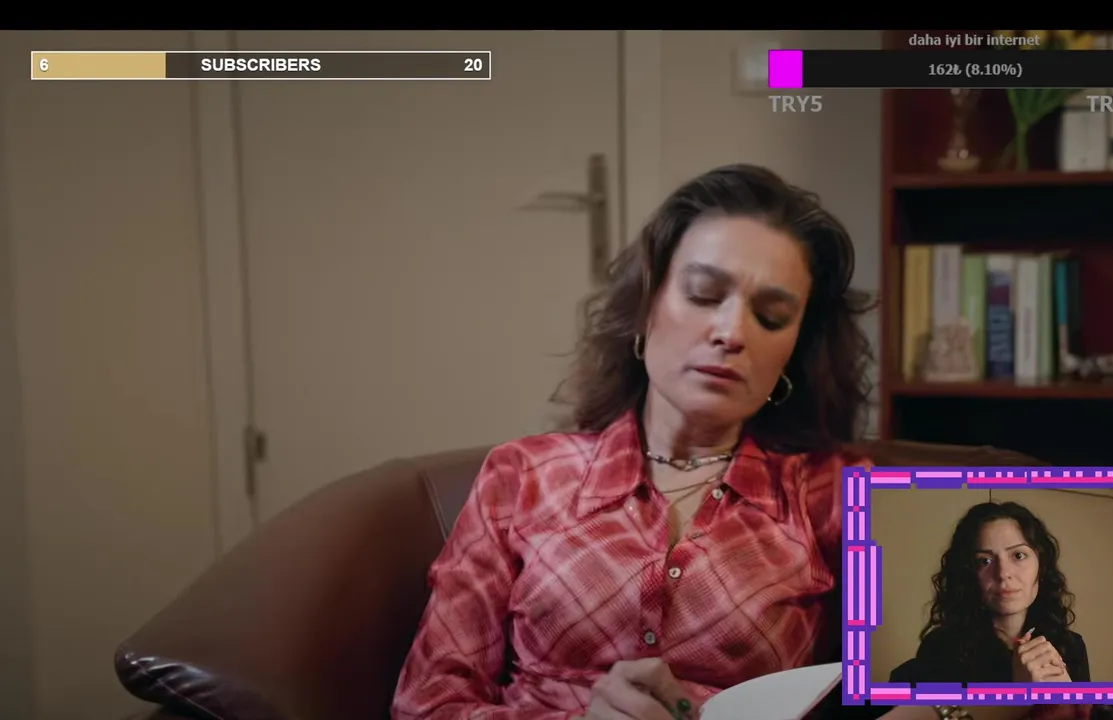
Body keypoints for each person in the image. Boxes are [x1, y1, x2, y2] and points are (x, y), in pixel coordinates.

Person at [390, 164, 1066, 720]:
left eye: (770, 315)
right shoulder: (523, 475)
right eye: (703, 294)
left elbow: (942, 657)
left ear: (794, 350)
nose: (732, 332)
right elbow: (427, 705)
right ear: (646, 307)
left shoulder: (831, 491)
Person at [896, 501, 1091, 685]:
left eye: (1018, 555)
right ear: (968, 572)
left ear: (1042, 566)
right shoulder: (940, 649)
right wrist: (1018, 696)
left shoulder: (1070, 646)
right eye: (985, 561)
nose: (1002, 573)